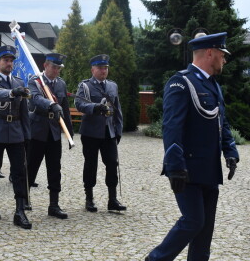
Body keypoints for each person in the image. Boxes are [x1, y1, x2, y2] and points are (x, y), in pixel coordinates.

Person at [146, 32, 240, 261]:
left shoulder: (212, 85)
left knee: (205, 230)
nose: (224, 59)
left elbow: (221, 121)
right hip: (186, 168)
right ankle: (155, 259)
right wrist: (174, 165)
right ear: (210, 53)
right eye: (221, 54)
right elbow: (172, 126)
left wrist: (230, 150)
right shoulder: (181, 81)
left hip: (209, 168)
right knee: (193, 221)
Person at [0, 45, 32, 229]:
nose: (9, 63)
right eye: (5, 60)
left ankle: (20, 210)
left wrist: (27, 134)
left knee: (19, 172)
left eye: (11, 60)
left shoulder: (19, 82)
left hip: (16, 131)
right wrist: (12, 93)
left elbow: (24, 111)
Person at [75, 54, 126, 213]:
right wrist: (95, 107)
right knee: (91, 165)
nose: (103, 71)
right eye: (100, 68)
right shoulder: (85, 86)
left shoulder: (112, 86)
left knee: (112, 164)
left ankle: (112, 199)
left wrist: (118, 130)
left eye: (105, 68)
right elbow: (79, 104)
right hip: (91, 132)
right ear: (93, 69)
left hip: (108, 132)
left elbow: (117, 109)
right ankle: (89, 198)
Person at [26, 53, 73, 219]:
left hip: (53, 133)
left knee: (55, 170)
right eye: (54, 67)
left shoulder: (61, 84)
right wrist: (52, 104)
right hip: (37, 131)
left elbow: (65, 109)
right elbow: (36, 99)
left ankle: (54, 205)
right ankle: (24, 199)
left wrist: (70, 134)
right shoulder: (35, 81)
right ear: (45, 65)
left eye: (59, 68)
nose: (57, 70)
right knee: (31, 167)